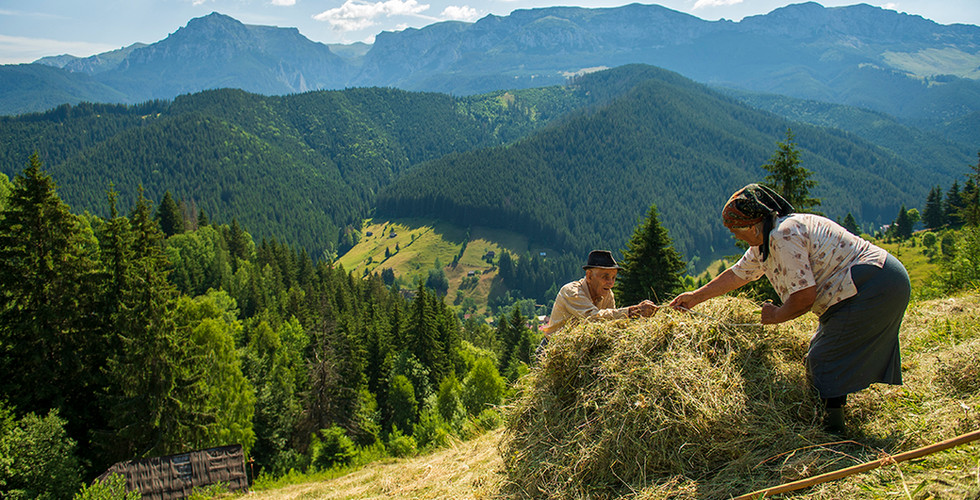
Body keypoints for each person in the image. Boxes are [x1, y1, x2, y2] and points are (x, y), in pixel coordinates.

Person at [669, 184, 910, 433]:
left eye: (735, 229)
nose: (735, 236)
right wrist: (695, 297)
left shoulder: (783, 236)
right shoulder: (766, 241)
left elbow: (804, 298)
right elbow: (737, 275)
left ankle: (834, 432)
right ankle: (831, 416)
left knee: (823, 358)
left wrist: (776, 315)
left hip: (873, 285)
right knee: (820, 353)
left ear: (752, 225)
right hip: (865, 285)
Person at [542, 250, 659, 336]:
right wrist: (633, 311)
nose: (611, 283)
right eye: (605, 277)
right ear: (589, 276)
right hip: (552, 350)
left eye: (613, 278)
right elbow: (592, 318)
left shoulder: (608, 294)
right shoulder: (571, 291)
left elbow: (611, 323)